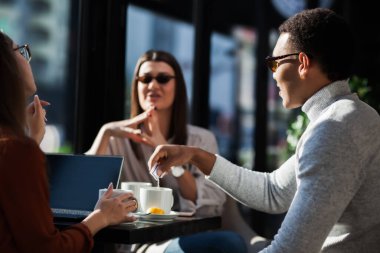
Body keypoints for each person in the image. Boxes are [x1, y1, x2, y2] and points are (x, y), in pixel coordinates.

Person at [147, 8, 380, 252]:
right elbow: (274, 191)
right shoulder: (349, 116)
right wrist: (196, 156)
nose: (273, 76)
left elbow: (289, 250)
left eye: (274, 63)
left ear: (302, 63)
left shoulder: (335, 129)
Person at [88, 50, 247, 253]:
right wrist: (106, 132)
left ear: (177, 87)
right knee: (228, 244)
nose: (153, 85)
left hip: (189, 237)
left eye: (163, 79)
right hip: (141, 245)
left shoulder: (201, 139)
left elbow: (209, 207)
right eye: (145, 79)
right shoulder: (117, 139)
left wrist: (164, 148)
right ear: (136, 86)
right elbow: (85, 193)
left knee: (230, 242)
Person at [0, 31, 138, 253]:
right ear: (6, 67)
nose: (27, 59)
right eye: (20, 51)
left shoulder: (16, 149)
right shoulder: (17, 151)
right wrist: (101, 217)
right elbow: (50, 249)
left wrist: (30, 141)